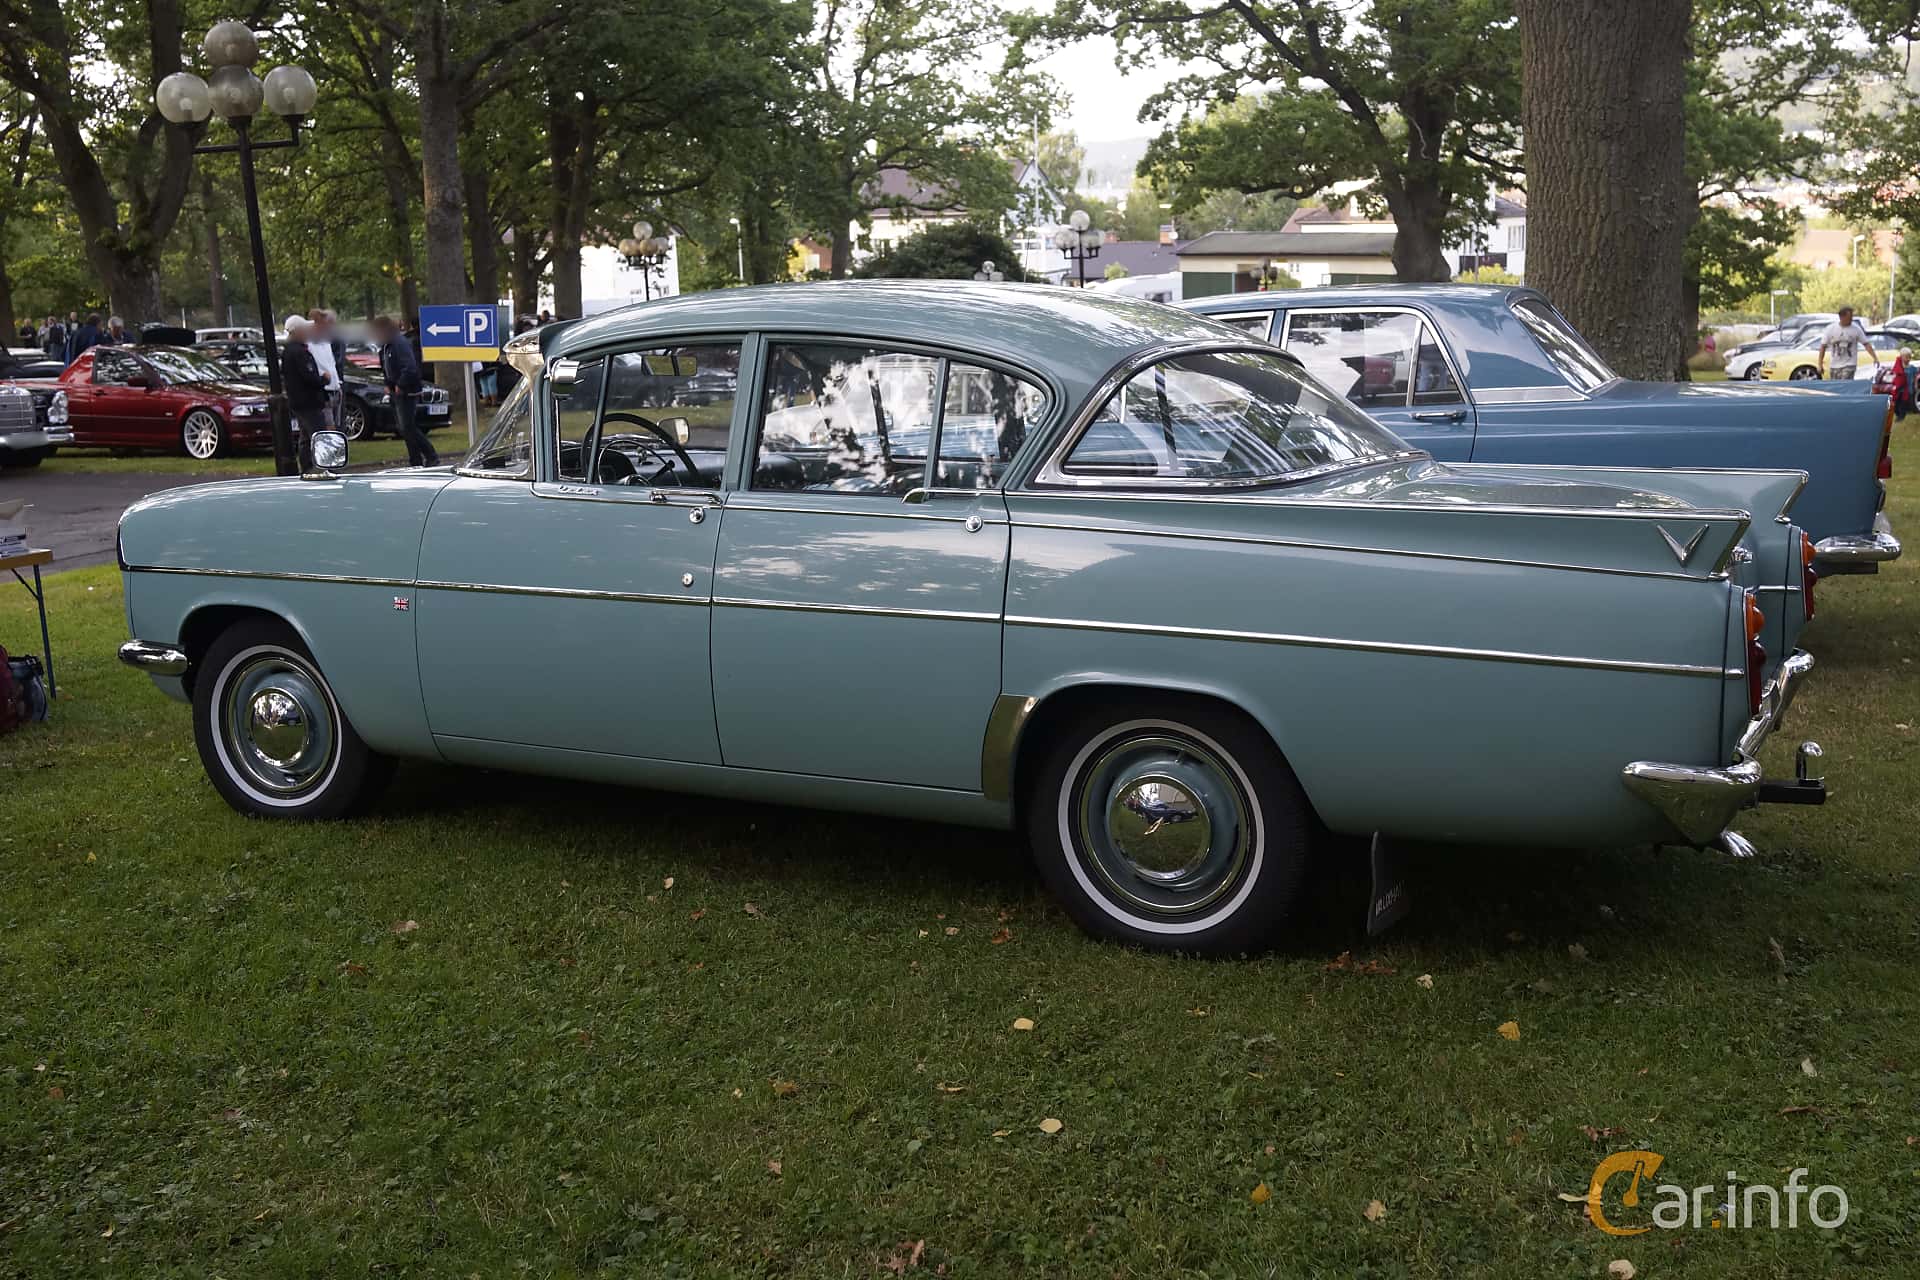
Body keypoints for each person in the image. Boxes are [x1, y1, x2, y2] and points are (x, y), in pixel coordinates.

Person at [374, 314, 439, 466]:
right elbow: (386, 367)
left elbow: (409, 367)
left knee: (407, 426)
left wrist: (401, 384)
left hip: (407, 391)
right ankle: (416, 459)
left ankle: (429, 455)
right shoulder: (387, 345)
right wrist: (388, 383)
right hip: (397, 391)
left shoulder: (399, 343)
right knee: (405, 428)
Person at [281, 316, 329, 468]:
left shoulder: (289, 351)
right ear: (298, 331)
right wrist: (324, 379)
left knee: (305, 436)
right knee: (318, 434)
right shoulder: (299, 352)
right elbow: (308, 376)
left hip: (299, 401)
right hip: (308, 401)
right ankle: (321, 465)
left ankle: (307, 466)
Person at [1817, 306, 1879, 382]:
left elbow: (1866, 344)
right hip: (1835, 365)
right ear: (1841, 317)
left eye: (1851, 317)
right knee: (1836, 386)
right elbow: (1823, 346)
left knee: (1845, 383)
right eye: (1849, 317)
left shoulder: (1856, 329)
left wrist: (1875, 358)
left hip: (1849, 364)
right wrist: (1820, 364)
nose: (1851, 320)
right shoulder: (1831, 329)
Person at [307, 308, 343, 430]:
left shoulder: (326, 342)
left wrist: (337, 383)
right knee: (329, 427)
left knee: (335, 426)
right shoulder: (309, 343)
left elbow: (332, 364)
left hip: (335, 388)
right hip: (324, 390)